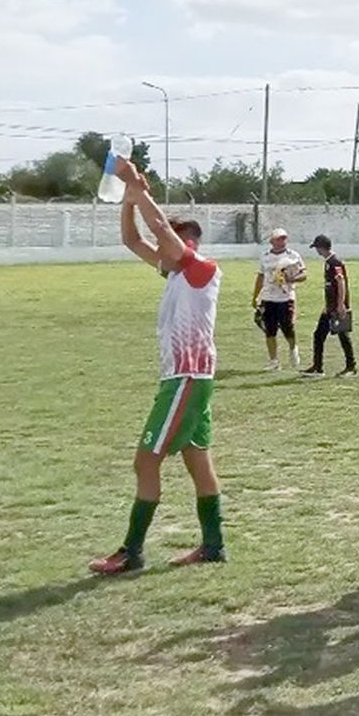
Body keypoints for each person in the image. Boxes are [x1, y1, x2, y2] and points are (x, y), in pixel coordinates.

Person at [88, 159, 225, 574]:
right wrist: (129, 201)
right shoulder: (174, 274)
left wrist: (136, 185)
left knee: (146, 461)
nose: (161, 250)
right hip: (188, 378)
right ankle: (214, 545)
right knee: (197, 460)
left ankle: (131, 551)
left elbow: (162, 232)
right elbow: (133, 240)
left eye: (172, 244)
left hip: (187, 378)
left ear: (190, 244)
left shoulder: (203, 269)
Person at [302, 234, 356, 378]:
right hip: (330, 307)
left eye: (317, 248)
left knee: (343, 336)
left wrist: (340, 305)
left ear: (321, 247)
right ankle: (317, 367)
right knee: (319, 335)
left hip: (337, 307)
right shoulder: (328, 262)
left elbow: (341, 283)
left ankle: (351, 367)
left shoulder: (334, 262)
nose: (316, 251)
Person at [252, 227, 304, 371]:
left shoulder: (293, 255)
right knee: (270, 330)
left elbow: (303, 275)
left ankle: (293, 349)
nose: (283, 241)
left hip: (286, 297)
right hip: (269, 297)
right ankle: (274, 361)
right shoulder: (265, 256)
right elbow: (260, 276)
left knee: (288, 328)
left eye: (284, 238)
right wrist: (256, 296)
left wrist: (291, 278)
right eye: (279, 238)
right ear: (272, 241)